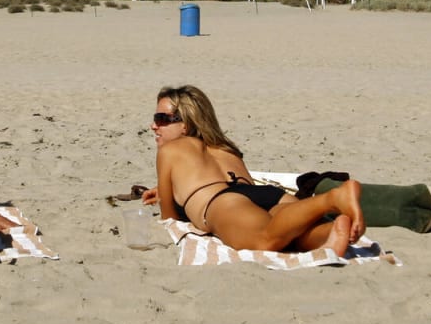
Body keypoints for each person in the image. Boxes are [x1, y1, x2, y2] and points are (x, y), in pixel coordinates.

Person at [144, 85, 364, 252]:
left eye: (162, 119)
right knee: (295, 237)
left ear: (186, 124)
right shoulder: (225, 147)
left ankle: (332, 199)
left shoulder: (170, 151)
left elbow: (169, 218)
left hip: (222, 202)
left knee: (264, 240)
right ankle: (334, 231)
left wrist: (172, 198)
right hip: (267, 194)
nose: (154, 126)